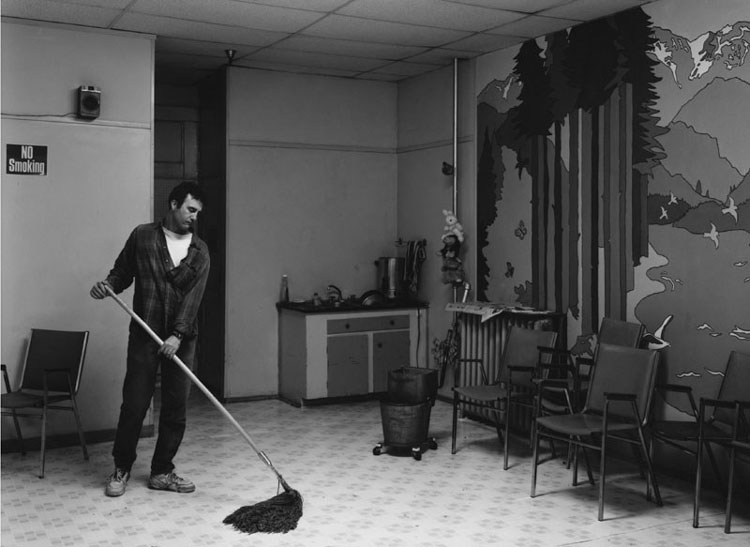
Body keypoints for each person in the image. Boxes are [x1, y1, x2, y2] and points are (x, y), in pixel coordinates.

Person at [90, 181, 210, 497]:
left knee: (175, 409)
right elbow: (122, 272)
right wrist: (107, 286)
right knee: (134, 405)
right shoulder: (142, 236)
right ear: (173, 204)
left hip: (181, 341)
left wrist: (177, 335)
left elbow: (193, 300)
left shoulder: (200, 252)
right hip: (145, 335)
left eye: (198, 212)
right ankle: (121, 468)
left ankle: (161, 472)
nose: (194, 217)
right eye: (190, 209)